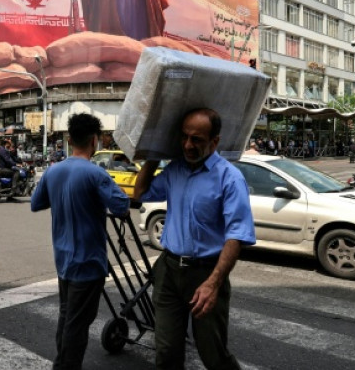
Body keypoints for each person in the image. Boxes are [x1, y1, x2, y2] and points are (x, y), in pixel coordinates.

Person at [135, 108, 255, 369]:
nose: (188, 145)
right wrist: (155, 154)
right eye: (184, 137)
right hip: (168, 271)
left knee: (213, 354)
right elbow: (140, 193)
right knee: (166, 352)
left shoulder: (229, 178)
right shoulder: (175, 169)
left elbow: (237, 235)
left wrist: (213, 284)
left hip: (206, 273)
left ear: (214, 142)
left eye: (197, 140)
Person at [30, 113, 130, 369]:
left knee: (68, 317)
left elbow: (36, 203)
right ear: (94, 140)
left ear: (70, 139)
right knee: (77, 323)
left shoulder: (54, 171)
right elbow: (121, 206)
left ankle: (62, 362)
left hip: (63, 260)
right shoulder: (95, 174)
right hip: (87, 262)